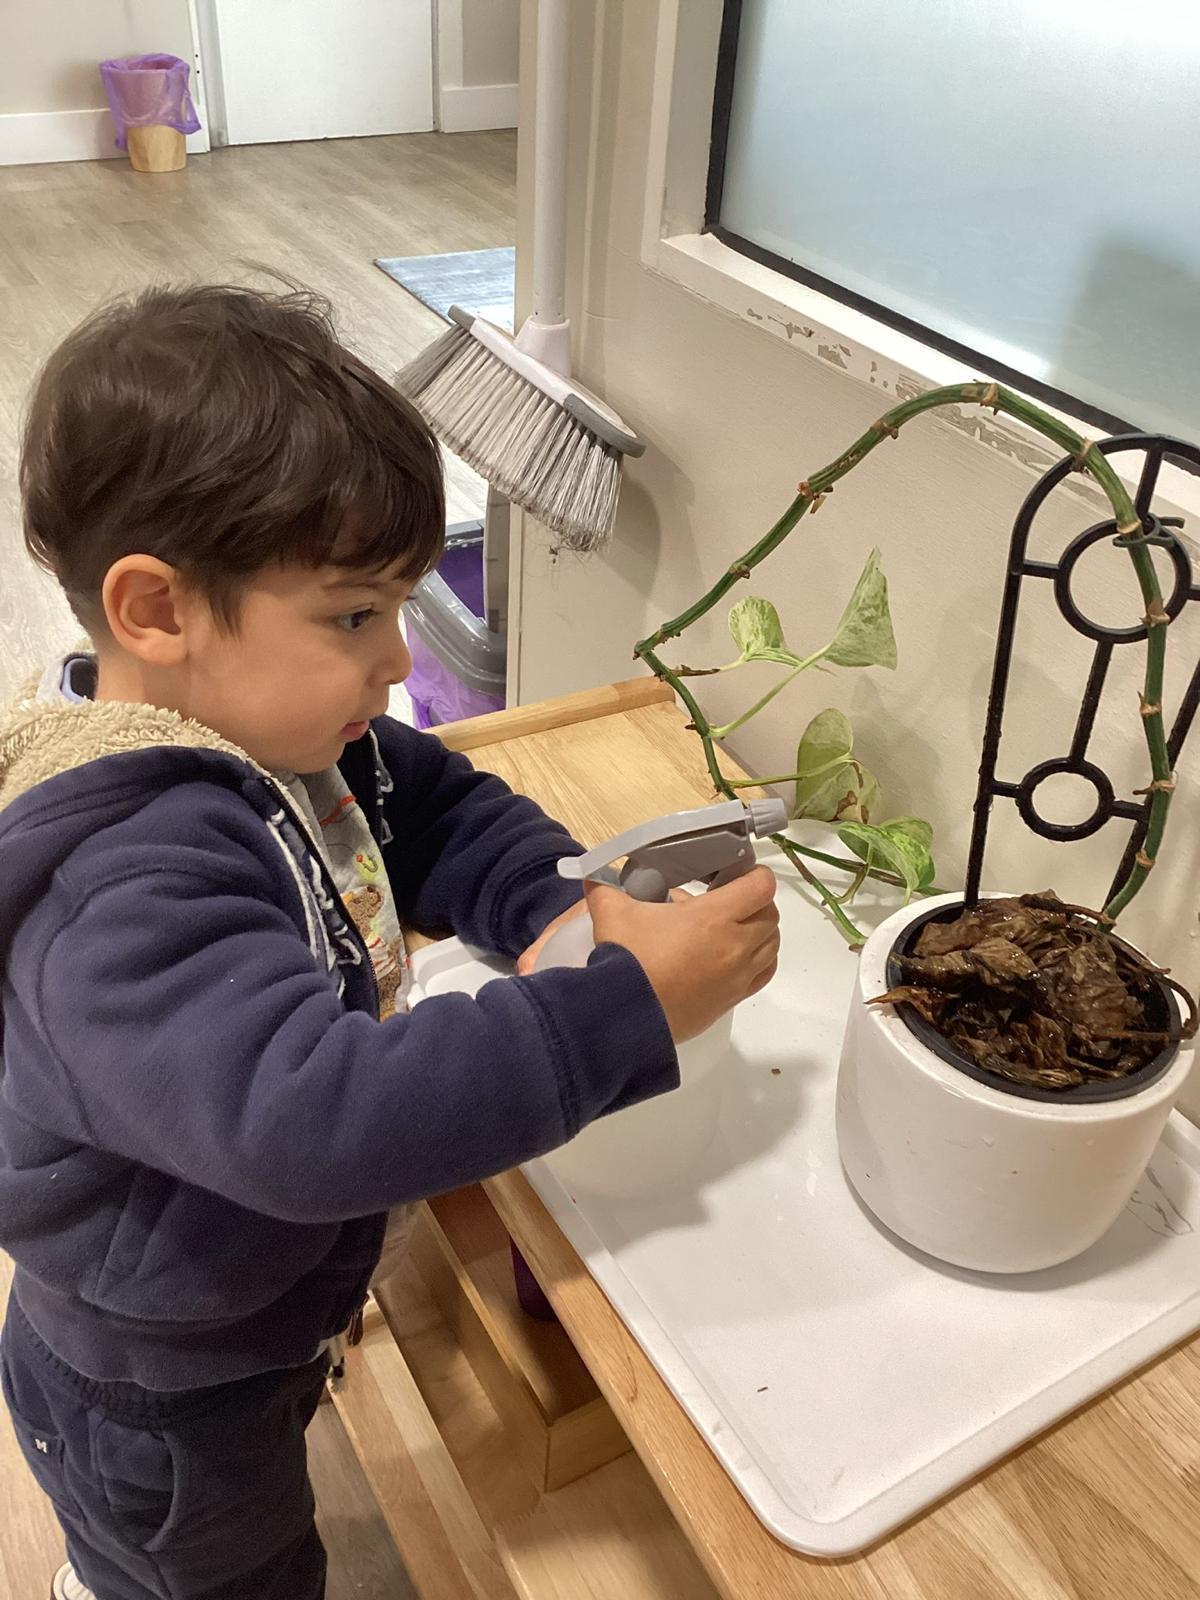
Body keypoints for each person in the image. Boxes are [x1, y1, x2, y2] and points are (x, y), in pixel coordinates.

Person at [0, 284, 780, 1600]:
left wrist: (556, 902)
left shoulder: (277, 733)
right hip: (161, 1393)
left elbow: (439, 810)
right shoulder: (121, 879)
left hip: (253, 1301)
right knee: (219, 1577)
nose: (404, 660)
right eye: (356, 616)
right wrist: (624, 1010)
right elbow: (309, 1121)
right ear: (155, 612)